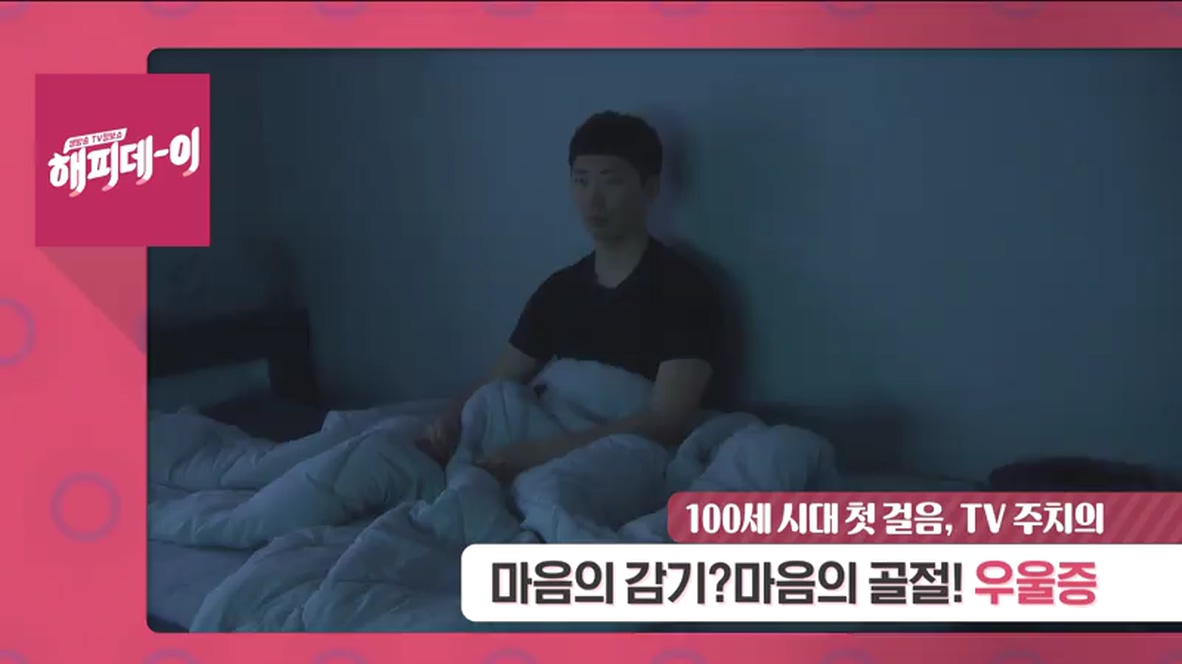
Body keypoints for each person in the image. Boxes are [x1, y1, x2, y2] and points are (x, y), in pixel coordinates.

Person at [417, 111, 725, 481]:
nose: (593, 200)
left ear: (651, 188)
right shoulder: (560, 290)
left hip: (610, 457)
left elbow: (667, 419)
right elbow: (498, 381)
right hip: (546, 432)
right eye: (581, 181)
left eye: (611, 182)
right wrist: (450, 422)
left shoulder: (683, 287)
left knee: (548, 489)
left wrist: (541, 454)